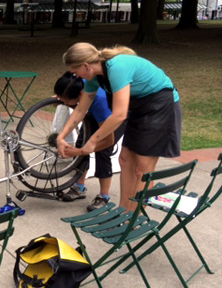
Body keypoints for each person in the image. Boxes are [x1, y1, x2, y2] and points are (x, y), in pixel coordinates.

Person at [56, 43, 181, 211]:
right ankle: (124, 211)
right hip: (139, 106)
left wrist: (92, 142)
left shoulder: (117, 68)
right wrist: (61, 137)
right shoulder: (93, 78)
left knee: (143, 167)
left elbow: (119, 115)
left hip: (160, 105)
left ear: (86, 66)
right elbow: (80, 109)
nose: (75, 75)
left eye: (74, 71)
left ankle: (134, 216)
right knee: (125, 159)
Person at [54, 72, 125, 210]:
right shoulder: (76, 82)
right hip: (96, 111)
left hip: (117, 114)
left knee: (102, 150)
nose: (64, 103)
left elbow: (108, 141)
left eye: (66, 100)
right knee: (82, 141)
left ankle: (104, 195)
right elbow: (79, 111)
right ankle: (79, 186)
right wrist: (62, 138)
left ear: (80, 95)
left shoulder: (99, 100)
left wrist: (81, 151)